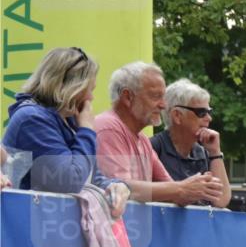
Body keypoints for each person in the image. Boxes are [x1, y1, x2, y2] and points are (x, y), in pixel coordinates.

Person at [1, 47, 129, 216]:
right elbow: (70, 181)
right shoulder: (32, 119)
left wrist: (114, 186)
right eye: (89, 89)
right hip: (24, 228)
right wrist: (86, 130)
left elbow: (91, 177)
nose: (91, 98)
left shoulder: (68, 122)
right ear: (70, 88)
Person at [95, 62, 223, 206]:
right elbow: (120, 189)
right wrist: (182, 188)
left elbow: (174, 190)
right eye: (155, 96)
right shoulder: (109, 128)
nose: (163, 105)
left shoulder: (142, 139)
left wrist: (198, 188)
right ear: (127, 97)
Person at [149, 79, 231, 208]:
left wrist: (215, 153)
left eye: (209, 112)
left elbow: (221, 201)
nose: (209, 118)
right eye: (202, 113)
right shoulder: (152, 148)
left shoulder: (202, 153)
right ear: (177, 116)